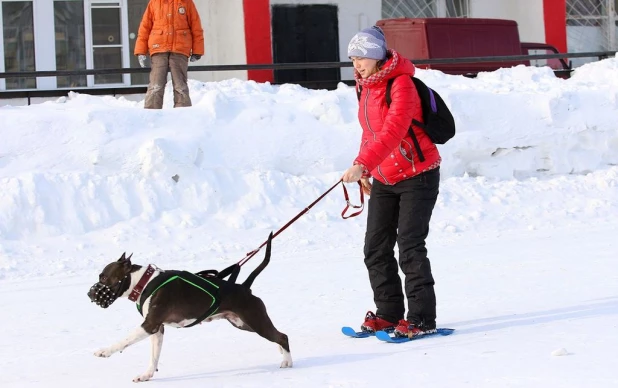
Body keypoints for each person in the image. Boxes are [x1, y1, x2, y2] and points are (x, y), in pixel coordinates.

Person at [341, 26, 442, 338]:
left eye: (360, 58)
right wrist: (367, 170)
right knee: (375, 248)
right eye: (352, 59)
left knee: (410, 246)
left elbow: (394, 130)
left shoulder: (401, 84)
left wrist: (363, 164)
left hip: (418, 174)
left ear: (375, 56)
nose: (356, 64)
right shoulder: (366, 86)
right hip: (386, 175)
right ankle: (388, 314)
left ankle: (422, 319)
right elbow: (370, 133)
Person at [134, 0, 204, 109]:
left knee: (180, 86)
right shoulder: (154, 3)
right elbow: (144, 28)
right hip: (158, 49)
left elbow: (196, 27)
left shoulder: (186, 2)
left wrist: (197, 51)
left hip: (180, 49)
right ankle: (151, 114)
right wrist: (140, 51)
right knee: (156, 85)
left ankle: (183, 113)